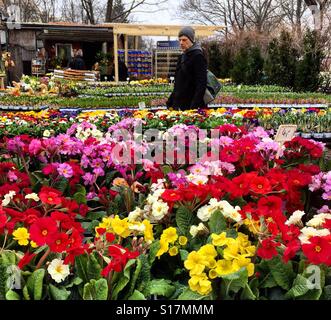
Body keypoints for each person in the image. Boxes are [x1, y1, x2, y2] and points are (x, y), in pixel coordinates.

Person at [166, 26, 207, 110]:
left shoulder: (198, 56)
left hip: (191, 105)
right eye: (180, 40)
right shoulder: (182, 56)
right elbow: (178, 83)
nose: (181, 42)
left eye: (184, 40)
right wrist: (171, 100)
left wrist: (194, 106)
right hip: (180, 104)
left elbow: (201, 84)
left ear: (191, 40)